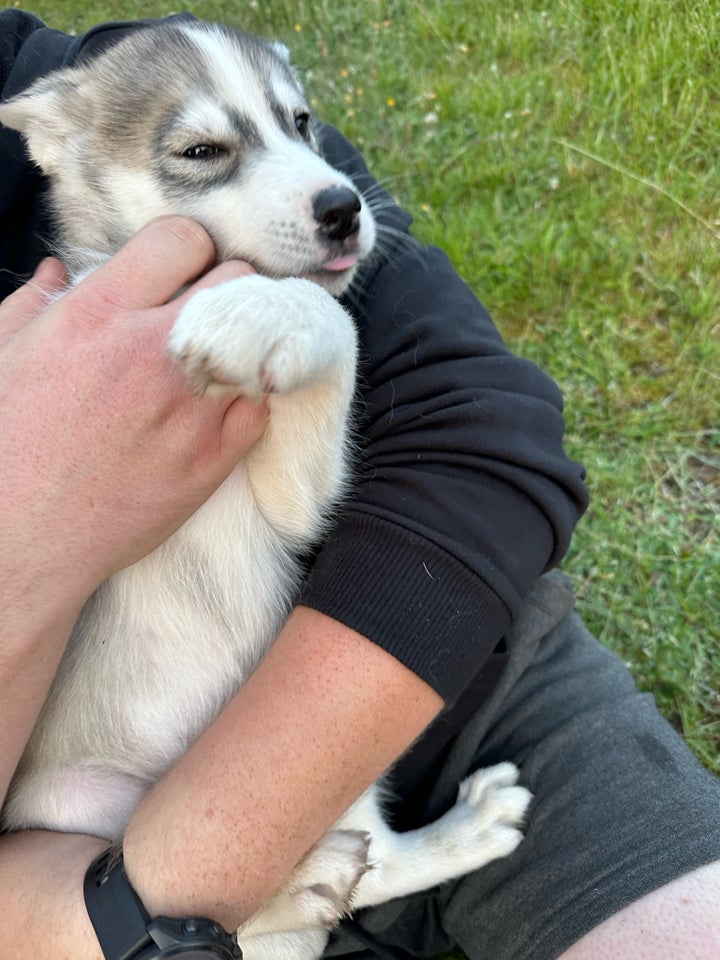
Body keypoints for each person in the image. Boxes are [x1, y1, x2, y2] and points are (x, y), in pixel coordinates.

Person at [0, 9, 719, 960]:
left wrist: (318, 333)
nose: (320, 180)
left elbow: (476, 433)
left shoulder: (91, 69)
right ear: (58, 143)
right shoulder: (73, 123)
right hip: (84, 833)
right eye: (207, 151)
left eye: (298, 128)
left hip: (427, 661)